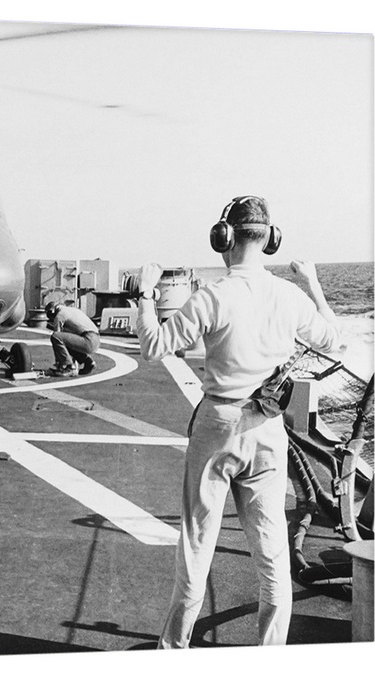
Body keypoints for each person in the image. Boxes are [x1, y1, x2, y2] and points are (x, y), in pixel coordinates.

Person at [135, 196, 344, 649]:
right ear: (270, 239)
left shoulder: (212, 297)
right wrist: (312, 283)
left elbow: (154, 347)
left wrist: (146, 294)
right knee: (272, 555)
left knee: (196, 547)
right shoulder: (289, 296)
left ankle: (173, 653)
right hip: (268, 428)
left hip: (218, 422)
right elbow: (333, 338)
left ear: (223, 237)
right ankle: (269, 657)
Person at [44, 301, 100, 377]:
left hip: (88, 340)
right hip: (96, 339)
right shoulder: (73, 310)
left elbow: (57, 336)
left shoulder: (60, 315)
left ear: (52, 312)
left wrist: (59, 363)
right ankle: (88, 362)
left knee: (56, 337)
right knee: (66, 342)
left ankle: (69, 367)